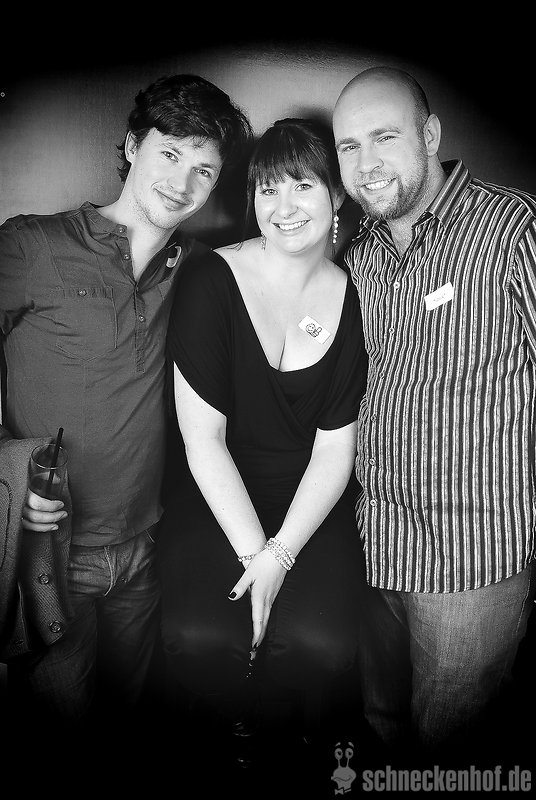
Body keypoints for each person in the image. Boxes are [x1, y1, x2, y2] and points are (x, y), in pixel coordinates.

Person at [0, 73, 252, 730]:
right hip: (51, 556)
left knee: (132, 721)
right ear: (133, 145)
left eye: (204, 170)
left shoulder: (198, 268)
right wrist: (4, 468)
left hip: (145, 548)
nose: (183, 182)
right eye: (171, 153)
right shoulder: (32, 244)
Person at [332, 66, 536, 763]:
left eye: (384, 137)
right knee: (382, 724)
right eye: (349, 146)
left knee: (449, 746)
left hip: (473, 562)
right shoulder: (360, 256)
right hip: (378, 546)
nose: (366, 163)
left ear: (431, 135)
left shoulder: (512, 228)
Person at [156, 118, 368, 776]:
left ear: (336, 195)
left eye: (303, 185)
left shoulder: (353, 294)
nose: (283, 206)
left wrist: (280, 556)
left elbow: (334, 453)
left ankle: (284, 746)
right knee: (197, 638)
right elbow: (203, 441)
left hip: (310, 504)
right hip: (216, 495)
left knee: (321, 644)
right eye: (267, 188)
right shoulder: (211, 279)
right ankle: (224, 741)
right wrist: (256, 556)